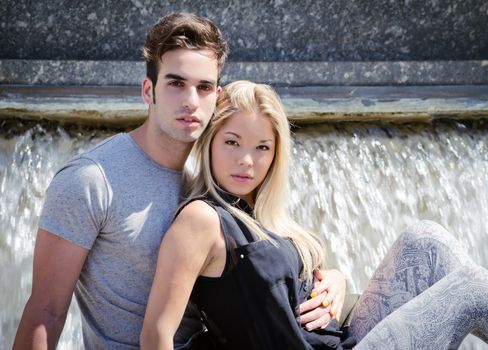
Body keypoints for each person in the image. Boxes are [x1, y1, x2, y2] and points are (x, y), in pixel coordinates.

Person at [12, 13, 345, 350]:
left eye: (203, 88)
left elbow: (268, 263)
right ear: (148, 90)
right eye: (175, 83)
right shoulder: (91, 180)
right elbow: (46, 312)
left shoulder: (214, 179)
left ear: (217, 96)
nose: (190, 101)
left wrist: (333, 281)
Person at [141, 80, 488, 350]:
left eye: (262, 147)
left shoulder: (260, 216)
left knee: (426, 240)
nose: (247, 161)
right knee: (471, 289)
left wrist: (339, 281)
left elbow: (294, 300)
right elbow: (156, 333)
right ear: (209, 142)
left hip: (344, 340)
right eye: (232, 143)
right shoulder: (202, 219)